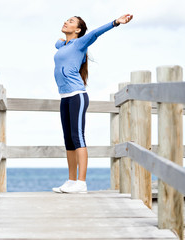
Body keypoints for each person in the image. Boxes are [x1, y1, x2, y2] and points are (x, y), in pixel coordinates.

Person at [52, 14, 133, 194]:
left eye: (71, 21)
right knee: (68, 140)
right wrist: (61, 42)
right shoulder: (64, 45)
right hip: (65, 96)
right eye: (66, 19)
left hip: (77, 96)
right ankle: (71, 180)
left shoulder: (80, 43)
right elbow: (58, 43)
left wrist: (115, 23)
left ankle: (81, 182)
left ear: (78, 30)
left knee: (77, 137)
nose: (66, 21)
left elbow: (96, 33)